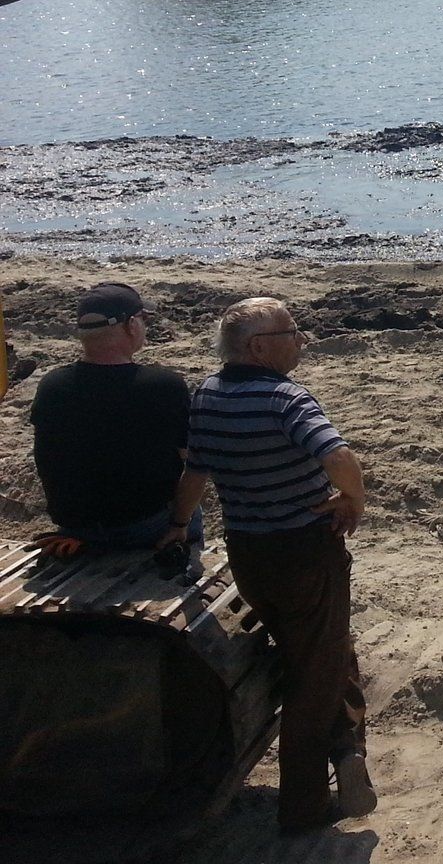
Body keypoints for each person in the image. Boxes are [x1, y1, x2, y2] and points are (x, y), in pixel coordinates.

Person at [164, 296, 376, 834]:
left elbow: (195, 475)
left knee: (325, 651)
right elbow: (338, 456)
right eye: (292, 332)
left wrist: (178, 523)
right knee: (314, 677)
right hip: (304, 551)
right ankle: (305, 806)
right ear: (259, 347)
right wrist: (354, 499)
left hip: (249, 553)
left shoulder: (207, 394)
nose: (302, 340)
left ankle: (348, 749)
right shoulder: (285, 398)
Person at [29, 282, 200, 556]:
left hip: (76, 526)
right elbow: (194, 465)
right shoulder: (163, 386)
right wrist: (180, 522)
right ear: (131, 325)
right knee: (191, 507)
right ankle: (186, 562)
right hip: (142, 526)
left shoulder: (52, 386)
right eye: (144, 319)